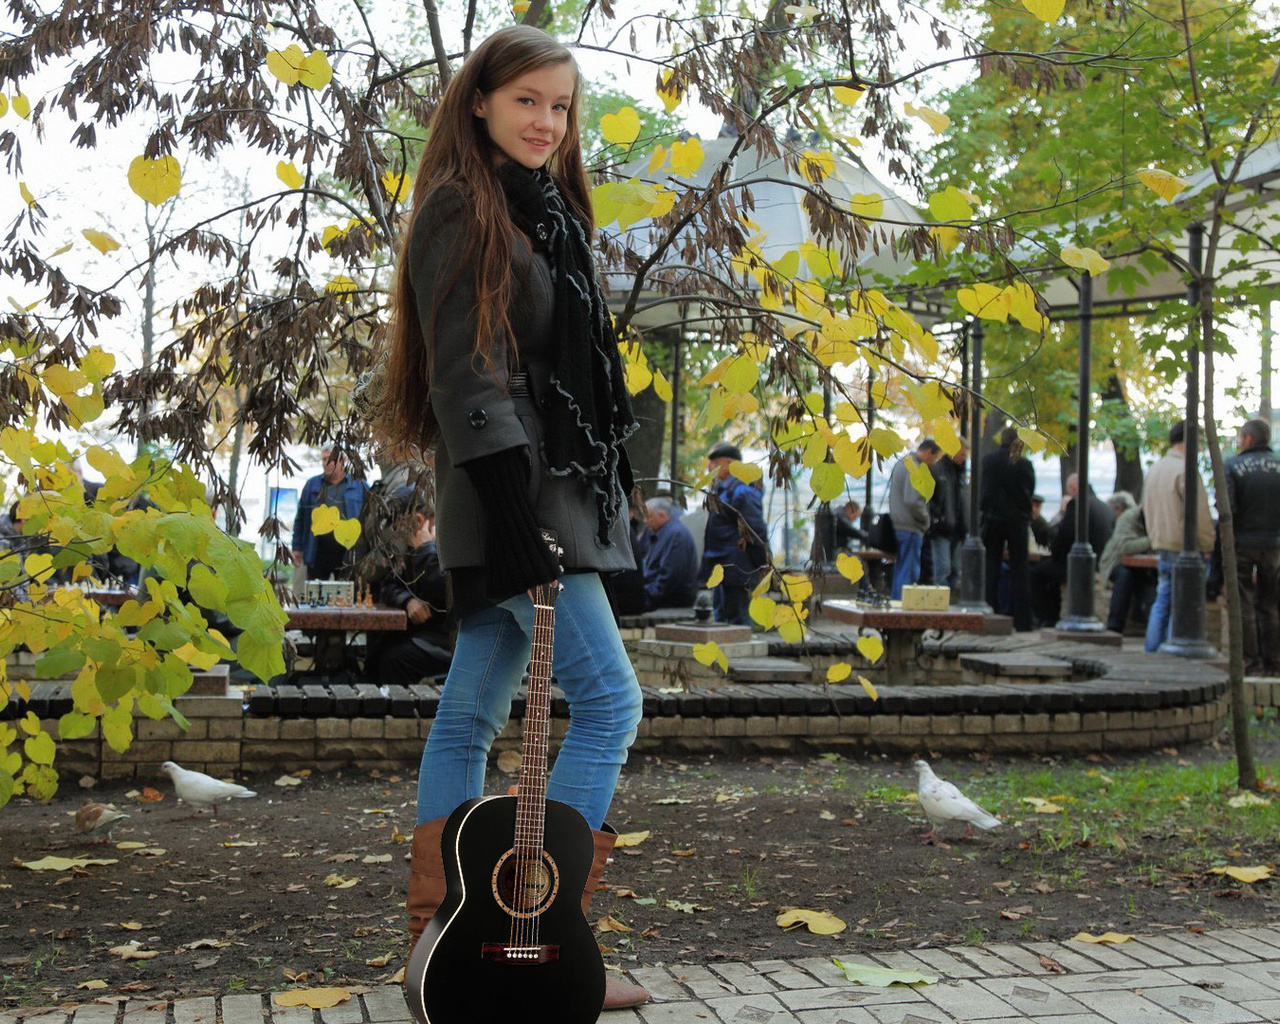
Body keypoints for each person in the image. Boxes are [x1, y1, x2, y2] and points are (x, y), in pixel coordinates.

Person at [376, 25, 647, 1009]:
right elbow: (467, 377)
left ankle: (441, 945)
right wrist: (514, 520)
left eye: (561, 105)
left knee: (472, 710)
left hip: (533, 504)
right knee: (612, 703)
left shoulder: (543, 216)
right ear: (480, 101)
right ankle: (542, 939)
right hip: (517, 506)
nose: (546, 121)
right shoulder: (463, 207)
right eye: (527, 99)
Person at [365, 484, 453, 686]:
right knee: (377, 652)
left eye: (399, 526)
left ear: (418, 520)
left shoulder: (444, 541)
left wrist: (425, 549)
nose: (398, 533)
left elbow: (444, 590)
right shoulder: (414, 548)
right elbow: (390, 584)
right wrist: (407, 601)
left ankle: (401, 713)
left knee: (394, 660)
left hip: (447, 641)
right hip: (425, 635)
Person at [1141, 420, 1215, 652]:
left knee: (1163, 598)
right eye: (1200, 441)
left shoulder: (1155, 468)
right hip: (1185, 546)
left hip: (1161, 542)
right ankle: (1176, 647)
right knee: (1184, 602)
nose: (1201, 447)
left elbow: (1146, 508)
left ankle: (1152, 649)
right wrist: (1207, 544)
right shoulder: (1186, 470)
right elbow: (1200, 514)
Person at [1225, 418, 1280, 674]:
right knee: (1270, 604)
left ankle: (1250, 662)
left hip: (1242, 543)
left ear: (1247, 439)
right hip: (1274, 545)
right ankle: (1274, 663)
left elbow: (1228, 509)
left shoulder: (1234, 466)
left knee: (1244, 601)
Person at [1031, 473, 1115, 626]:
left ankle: (1048, 618)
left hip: (1078, 565)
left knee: (1036, 574)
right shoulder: (1105, 507)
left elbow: (1064, 537)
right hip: (1101, 564)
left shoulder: (1077, 504)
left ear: (1073, 488)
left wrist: (1053, 553)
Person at [701, 441, 769, 624]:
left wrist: (762, 562)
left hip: (737, 566)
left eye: (714, 463)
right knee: (723, 618)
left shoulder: (741, 491)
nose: (709, 468)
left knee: (736, 621)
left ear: (730, 464)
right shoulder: (724, 490)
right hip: (724, 565)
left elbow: (754, 529)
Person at [980, 427, 1036, 631]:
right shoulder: (1024, 464)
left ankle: (990, 614)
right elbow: (1028, 493)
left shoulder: (989, 461)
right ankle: (1023, 621)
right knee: (1020, 571)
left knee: (991, 569)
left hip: (994, 519)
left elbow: (984, 492)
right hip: (1017, 521)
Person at [292, 448, 369, 583]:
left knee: (346, 598)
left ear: (342, 461)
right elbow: (300, 519)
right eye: (324, 459)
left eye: (330, 459)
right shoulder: (312, 485)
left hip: (348, 554)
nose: (326, 463)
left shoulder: (358, 485)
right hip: (317, 553)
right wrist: (297, 548)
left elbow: (369, 519)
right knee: (316, 597)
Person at [887, 439, 941, 599]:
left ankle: (896, 604)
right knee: (909, 572)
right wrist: (926, 520)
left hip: (899, 523)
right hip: (911, 525)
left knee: (901, 568)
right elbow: (913, 500)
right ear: (928, 452)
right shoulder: (914, 468)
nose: (934, 462)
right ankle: (902, 609)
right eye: (934, 457)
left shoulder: (901, 463)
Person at [1098, 491, 1153, 633]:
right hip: (1114, 562)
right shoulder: (1129, 518)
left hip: (1139, 565)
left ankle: (1146, 622)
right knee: (1125, 576)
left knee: (1151, 578)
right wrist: (1152, 540)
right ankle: (1114, 625)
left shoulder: (1154, 519)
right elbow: (1125, 547)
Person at [642, 497, 699, 610]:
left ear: (662, 515)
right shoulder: (661, 532)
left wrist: (648, 597)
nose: (645, 521)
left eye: (648, 516)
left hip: (671, 600)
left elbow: (670, 576)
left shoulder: (676, 534)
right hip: (659, 595)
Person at [926, 440, 968, 590]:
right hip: (943, 528)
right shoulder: (939, 470)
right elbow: (929, 498)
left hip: (957, 528)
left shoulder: (960, 473)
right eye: (962, 454)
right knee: (943, 568)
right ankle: (942, 600)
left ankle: (946, 600)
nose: (964, 458)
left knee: (955, 568)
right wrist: (938, 516)